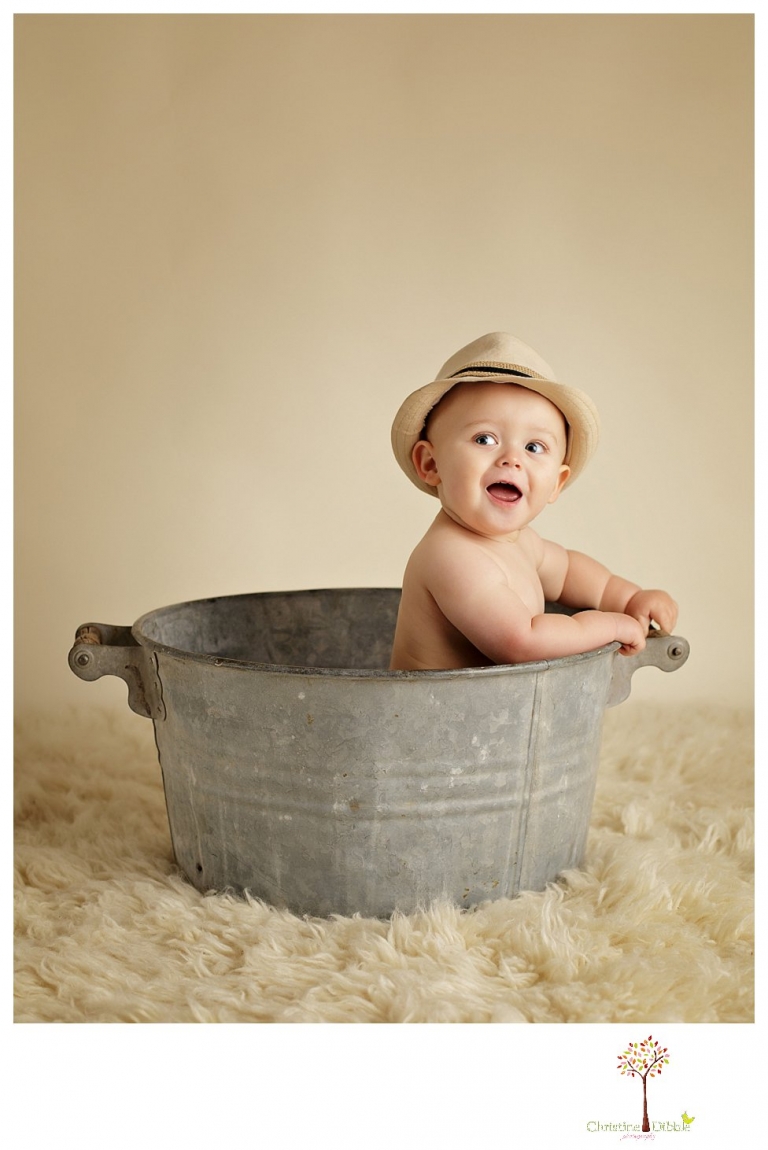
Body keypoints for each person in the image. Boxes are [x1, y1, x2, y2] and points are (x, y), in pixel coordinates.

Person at [389, 332, 678, 671]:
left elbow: (569, 572)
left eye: (534, 447)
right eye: (484, 439)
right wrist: (610, 625)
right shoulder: (451, 555)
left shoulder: (522, 543)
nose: (512, 459)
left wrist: (629, 598)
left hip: (493, 716)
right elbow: (520, 641)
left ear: (557, 482)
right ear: (431, 464)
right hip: (432, 717)